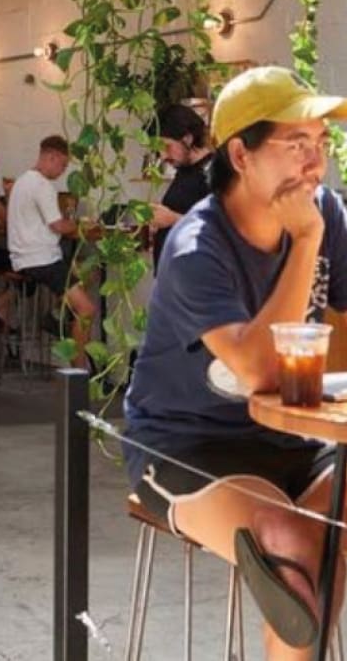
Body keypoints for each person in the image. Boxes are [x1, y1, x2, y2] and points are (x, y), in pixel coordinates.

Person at [125, 67, 347, 659]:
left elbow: (342, 345)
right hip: (188, 444)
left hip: (300, 443)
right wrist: (304, 243)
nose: (314, 163)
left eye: (321, 145)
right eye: (296, 145)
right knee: (296, 550)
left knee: (312, 557)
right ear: (241, 155)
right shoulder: (198, 245)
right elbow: (259, 373)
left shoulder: (330, 213)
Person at [5, 135, 95, 366]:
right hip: (42, 260)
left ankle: (57, 314)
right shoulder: (42, 185)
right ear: (51, 156)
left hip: (23, 258)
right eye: (63, 165)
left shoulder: (21, 181)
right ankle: (79, 369)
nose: (63, 171)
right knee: (86, 308)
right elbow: (57, 225)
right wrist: (81, 225)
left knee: (86, 271)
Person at [148, 102, 215, 272]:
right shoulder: (185, 171)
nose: (162, 156)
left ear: (187, 138)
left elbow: (225, 232)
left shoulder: (214, 171)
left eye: (167, 147)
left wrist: (173, 219)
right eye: (158, 150)